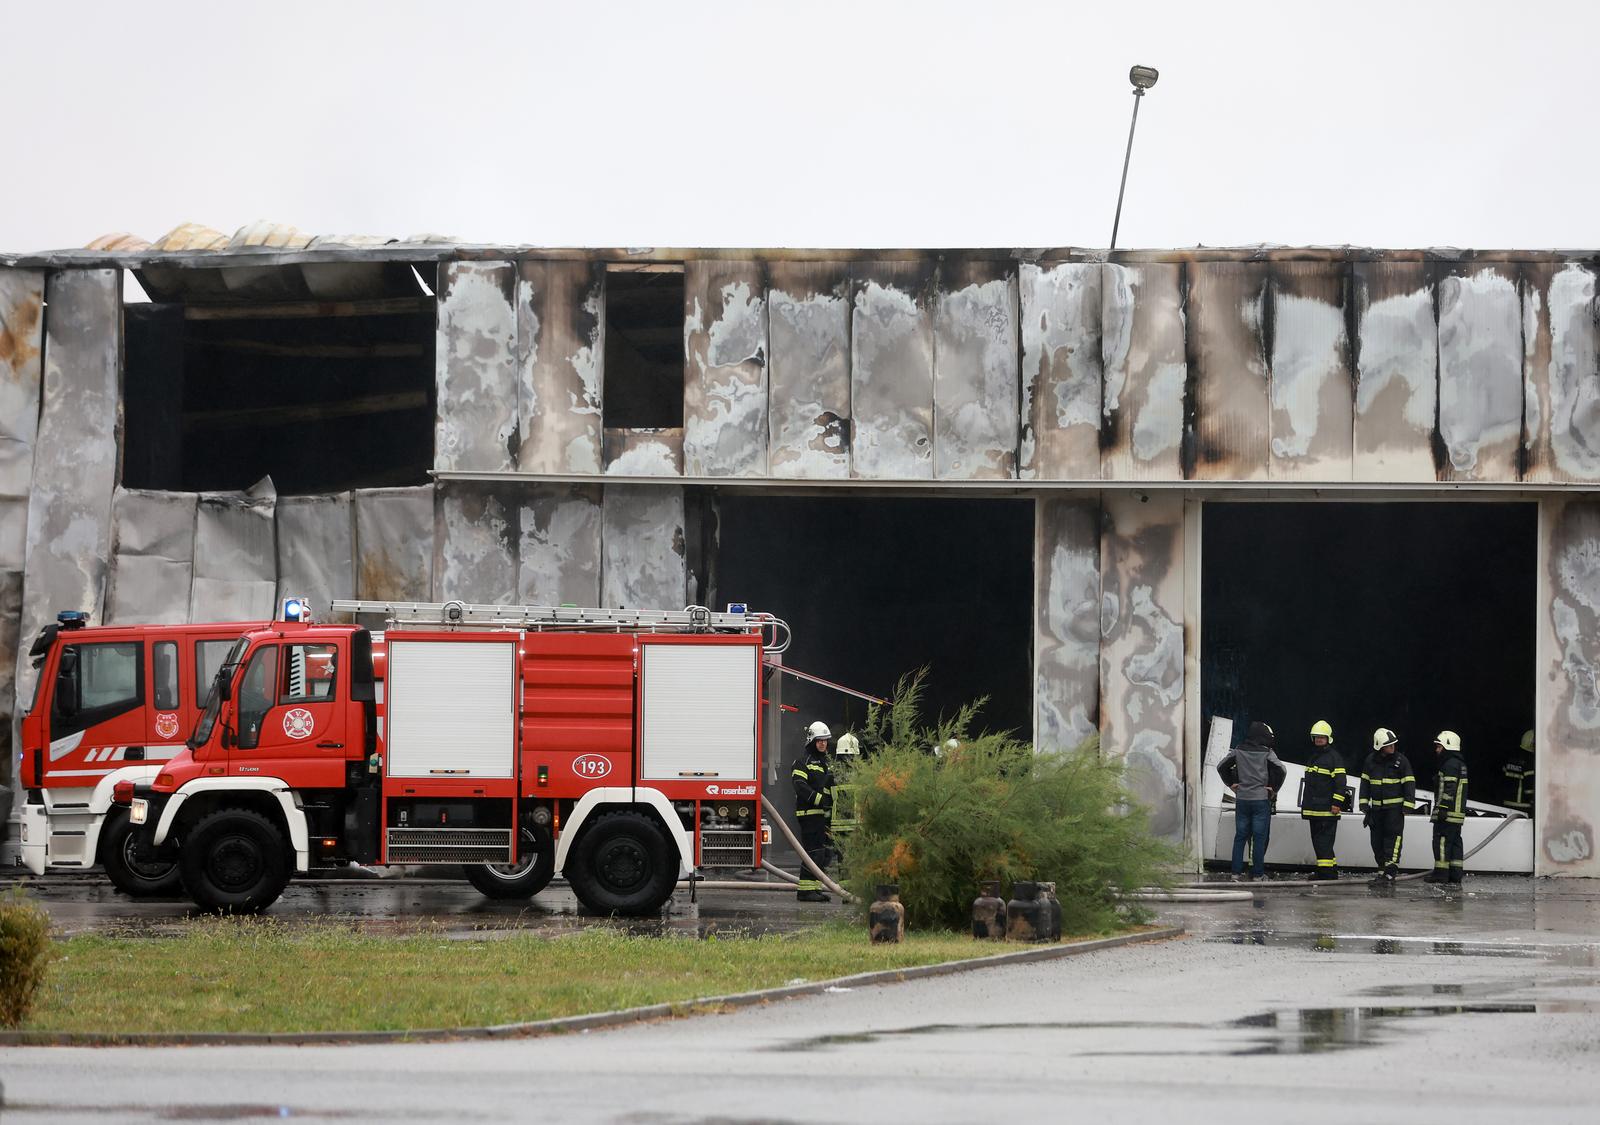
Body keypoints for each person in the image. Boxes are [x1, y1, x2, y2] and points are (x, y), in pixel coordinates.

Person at [1217, 721, 1287, 882]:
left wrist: (1231, 784)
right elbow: (1281, 770)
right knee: (1258, 838)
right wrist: (1273, 789)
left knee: (1240, 836)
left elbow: (1222, 766)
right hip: (1260, 800)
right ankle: (1257, 874)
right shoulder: (1267, 752)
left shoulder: (1238, 750)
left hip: (1242, 799)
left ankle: (1235, 874)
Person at [1360, 728, 1415, 884]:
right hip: (1376, 810)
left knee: (1393, 841)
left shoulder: (1401, 761)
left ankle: (1390, 874)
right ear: (1379, 746)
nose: (1392, 747)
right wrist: (1364, 804)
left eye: (1393, 744)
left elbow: (1409, 783)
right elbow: (1365, 783)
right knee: (1376, 842)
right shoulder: (1370, 761)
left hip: (1395, 811)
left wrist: (1408, 805)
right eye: (1389, 745)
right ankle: (1381, 873)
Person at [791, 720, 835, 902]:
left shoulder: (827, 763)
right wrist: (819, 800)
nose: (823, 743)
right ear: (811, 741)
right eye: (819, 740)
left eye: (825, 740)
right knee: (813, 851)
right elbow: (799, 786)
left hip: (823, 816)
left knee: (824, 853)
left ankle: (813, 888)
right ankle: (805, 891)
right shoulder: (802, 762)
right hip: (809, 815)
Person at [1300, 719, 1349, 880]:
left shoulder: (1334, 758)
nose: (1319, 740)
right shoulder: (1314, 757)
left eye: (1322, 737)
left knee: (1323, 842)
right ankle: (1330, 869)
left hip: (1326, 809)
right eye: (1316, 737)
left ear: (1328, 739)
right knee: (1320, 841)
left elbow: (1341, 783)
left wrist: (1336, 803)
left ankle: (1326, 874)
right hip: (1314, 809)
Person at [1425, 730, 1469, 885]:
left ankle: (1441, 874)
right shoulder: (1460, 764)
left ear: (1447, 746)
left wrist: (1443, 808)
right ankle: (1455, 875)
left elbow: (1449, 787)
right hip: (1457, 814)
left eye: (1439, 747)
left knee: (1441, 842)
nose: (1437, 750)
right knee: (1455, 843)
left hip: (1447, 813)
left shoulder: (1449, 764)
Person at [1502, 729, 1534, 815]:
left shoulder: (1511, 758)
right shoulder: (1530, 762)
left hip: (1506, 804)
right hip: (1523, 806)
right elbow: (1529, 789)